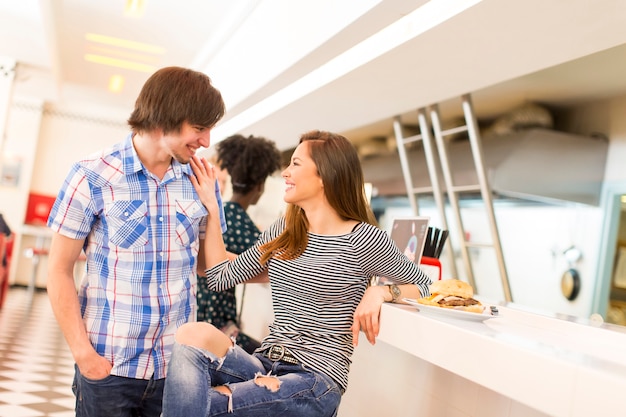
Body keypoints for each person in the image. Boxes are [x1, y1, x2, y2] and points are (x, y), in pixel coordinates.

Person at [162, 130, 432, 417]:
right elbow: (220, 276)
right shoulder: (286, 231)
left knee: (204, 406)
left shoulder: (362, 238)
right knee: (191, 333)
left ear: (325, 175)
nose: (286, 172)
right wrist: (212, 208)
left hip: (314, 379)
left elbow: (426, 285)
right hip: (264, 363)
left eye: (296, 164)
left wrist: (380, 291)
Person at [45, 66, 226, 417]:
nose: (206, 141)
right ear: (167, 117)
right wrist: (84, 354)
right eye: (199, 128)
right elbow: (59, 270)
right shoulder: (92, 175)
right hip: (110, 366)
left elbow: (207, 265)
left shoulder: (201, 181)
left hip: (178, 369)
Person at [196, 134, 282, 354]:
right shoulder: (242, 223)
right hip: (216, 323)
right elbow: (269, 262)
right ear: (260, 186)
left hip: (197, 316)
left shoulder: (218, 214)